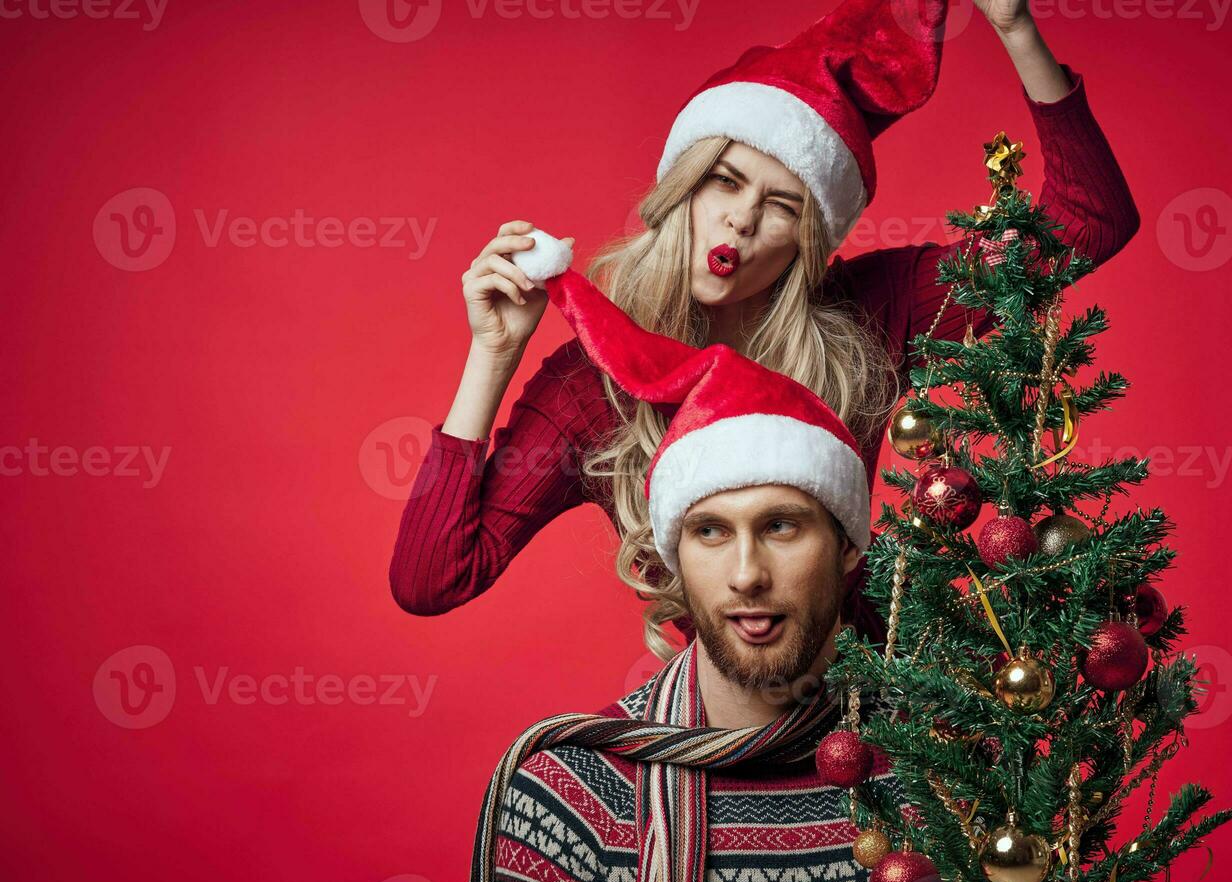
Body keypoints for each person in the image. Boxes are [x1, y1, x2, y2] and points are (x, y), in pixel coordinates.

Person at [391, 0, 1141, 657]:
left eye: (782, 205)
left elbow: (1091, 220)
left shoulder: (872, 312)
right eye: (724, 181)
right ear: (681, 189)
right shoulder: (593, 384)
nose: (742, 218)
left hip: (884, 723)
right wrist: (493, 353)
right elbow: (431, 581)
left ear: (809, 237)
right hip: (723, 721)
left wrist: (1013, 27)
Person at [468, 263, 1073, 882]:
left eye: (781, 527)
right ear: (674, 559)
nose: (747, 574)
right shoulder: (571, 802)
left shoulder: (947, 776)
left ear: (850, 547)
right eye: (711, 533)